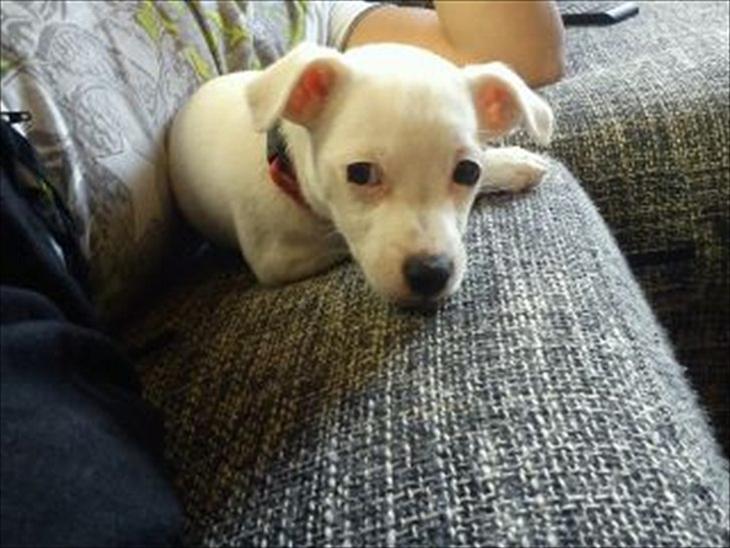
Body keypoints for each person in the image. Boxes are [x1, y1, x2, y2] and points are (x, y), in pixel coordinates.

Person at [0, 1, 564, 546]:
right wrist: (465, 174)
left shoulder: (368, 109)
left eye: (462, 172)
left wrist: (468, 171)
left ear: (495, 111)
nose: (430, 252)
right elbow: (276, 266)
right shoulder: (274, 167)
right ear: (302, 102)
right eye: (363, 176)